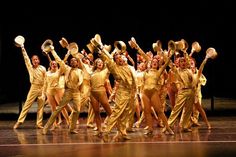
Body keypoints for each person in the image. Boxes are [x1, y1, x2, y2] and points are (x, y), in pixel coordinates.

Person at [42, 44, 84, 134]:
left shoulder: (80, 71)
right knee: (58, 109)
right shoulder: (66, 69)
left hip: (76, 92)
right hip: (68, 91)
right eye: (71, 60)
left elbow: (81, 82)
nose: (73, 61)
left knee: (77, 110)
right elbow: (59, 60)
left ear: (77, 63)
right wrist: (52, 51)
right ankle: (46, 127)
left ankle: (72, 128)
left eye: (74, 60)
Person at [13, 45, 46, 129]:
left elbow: (46, 80)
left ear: (39, 60)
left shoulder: (42, 68)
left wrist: (43, 92)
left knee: (41, 107)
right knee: (27, 105)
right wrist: (23, 48)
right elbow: (26, 58)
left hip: (42, 88)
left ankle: (39, 123)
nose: (35, 60)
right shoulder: (30, 67)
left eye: (36, 59)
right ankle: (19, 121)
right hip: (34, 87)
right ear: (32, 61)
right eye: (33, 59)